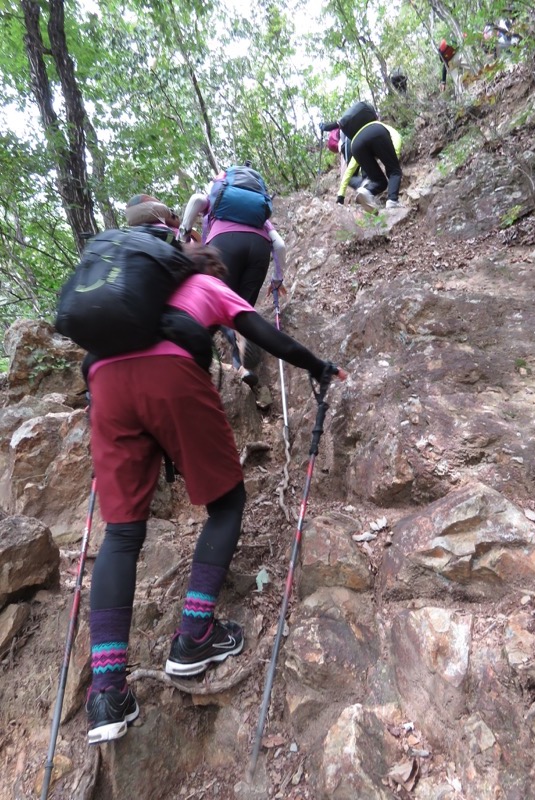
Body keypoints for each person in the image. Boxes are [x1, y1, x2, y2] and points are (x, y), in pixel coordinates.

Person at [84, 240, 347, 745]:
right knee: (226, 504)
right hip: (169, 372)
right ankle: (194, 635)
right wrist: (316, 365)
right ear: (209, 269)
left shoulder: (131, 299)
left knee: (120, 535)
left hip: (105, 380)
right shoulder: (206, 285)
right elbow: (263, 334)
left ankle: (107, 692)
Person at [178, 173, 286, 389]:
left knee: (220, 307)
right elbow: (280, 245)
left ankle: (240, 353)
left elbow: (195, 200)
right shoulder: (258, 215)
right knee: (242, 308)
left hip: (224, 245)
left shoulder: (216, 201)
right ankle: (242, 367)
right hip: (260, 249)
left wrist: (183, 234)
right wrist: (277, 278)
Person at [331, 113, 402, 213]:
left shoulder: (360, 136)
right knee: (395, 171)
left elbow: (349, 170)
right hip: (377, 133)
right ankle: (392, 201)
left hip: (355, 143)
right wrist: (393, 162)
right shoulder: (386, 128)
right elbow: (396, 139)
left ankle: (366, 191)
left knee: (380, 182)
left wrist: (341, 195)